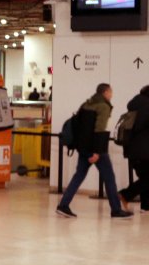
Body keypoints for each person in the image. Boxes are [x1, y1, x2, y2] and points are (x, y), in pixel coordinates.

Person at [57, 83, 134, 219]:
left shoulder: (87, 103)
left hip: (83, 147)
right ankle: (116, 210)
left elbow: (82, 129)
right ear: (105, 92)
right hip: (95, 149)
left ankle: (63, 205)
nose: (112, 94)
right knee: (109, 177)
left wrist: (84, 149)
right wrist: (97, 152)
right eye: (110, 92)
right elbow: (99, 129)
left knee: (79, 176)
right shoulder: (103, 106)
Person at [117, 86, 149, 214]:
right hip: (145, 151)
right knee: (147, 178)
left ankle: (146, 206)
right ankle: (126, 194)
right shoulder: (147, 107)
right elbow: (142, 126)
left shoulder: (134, 106)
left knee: (145, 178)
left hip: (132, 150)